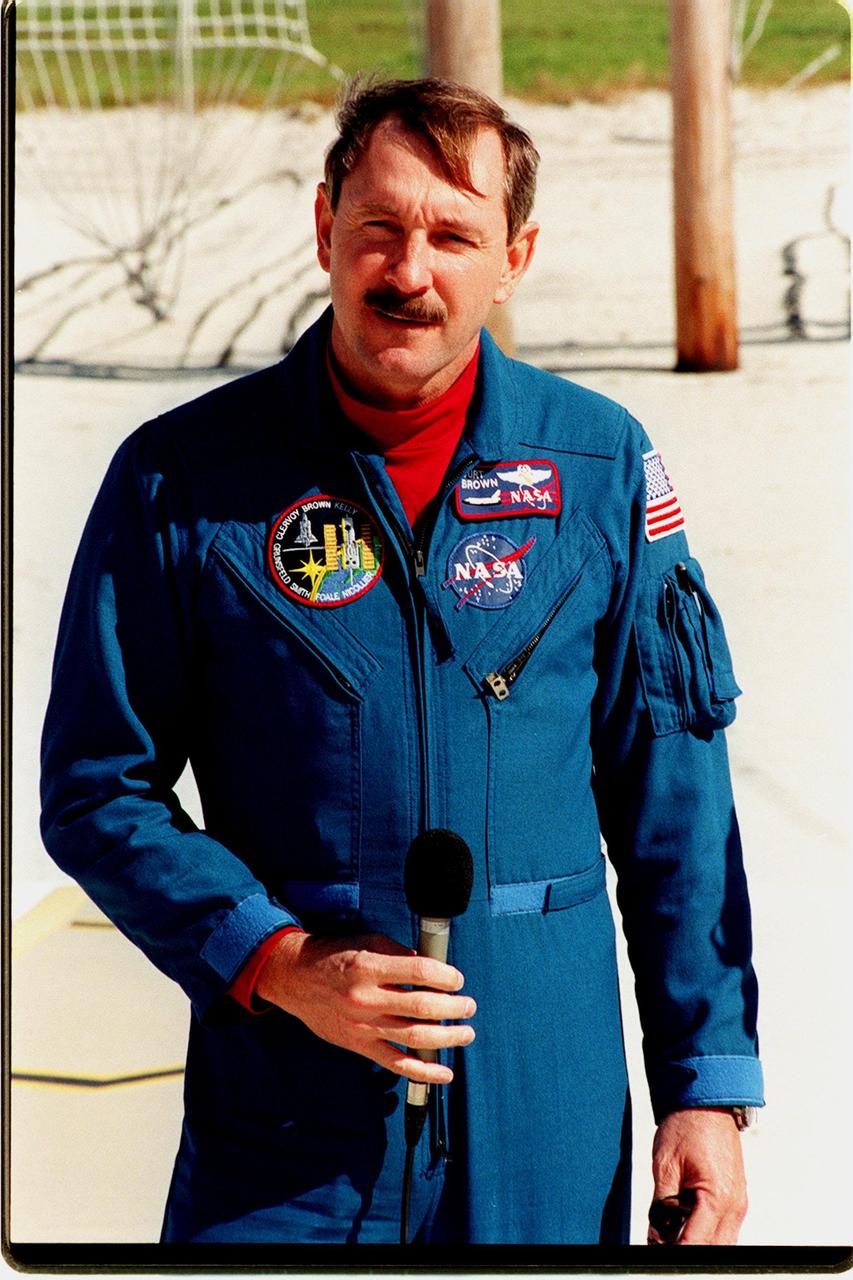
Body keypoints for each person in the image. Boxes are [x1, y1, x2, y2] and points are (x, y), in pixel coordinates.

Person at [40, 76, 763, 1246]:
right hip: (285, 1133)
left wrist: (706, 1083)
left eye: (452, 235)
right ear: (323, 226)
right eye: (378, 227)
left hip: (545, 1108)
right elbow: (94, 785)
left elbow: (674, 798)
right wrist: (274, 958)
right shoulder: (183, 480)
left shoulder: (598, 468)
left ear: (514, 256)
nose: (408, 270)